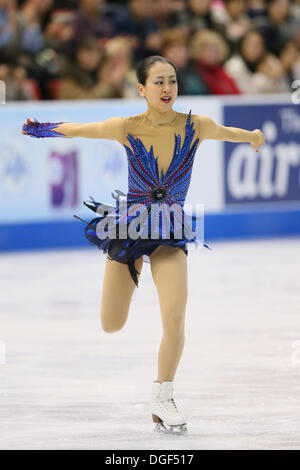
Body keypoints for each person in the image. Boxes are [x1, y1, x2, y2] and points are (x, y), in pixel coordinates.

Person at [22, 55, 265, 435]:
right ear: (142, 89)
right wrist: (46, 129)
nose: (167, 88)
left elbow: (227, 132)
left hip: (170, 231)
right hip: (131, 230)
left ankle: (163, 394)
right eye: (158, 82)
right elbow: (84, 128)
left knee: (175, 314)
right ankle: (124, 271)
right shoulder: (127, 127)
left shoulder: (195, 126)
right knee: (111, 324)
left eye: (171, 81)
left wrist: (252, 136)